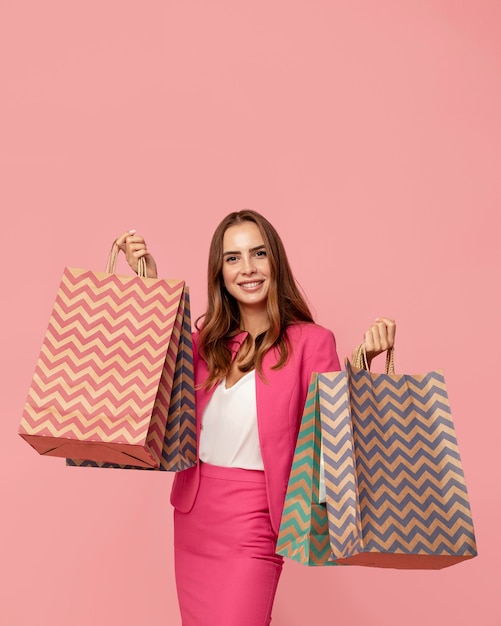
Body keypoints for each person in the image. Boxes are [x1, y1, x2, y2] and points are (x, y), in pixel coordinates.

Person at [116, 210, 395, 626]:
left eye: (258, 254)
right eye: (232, 258)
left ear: (274, 262)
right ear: (219, 272)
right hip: (195, 516)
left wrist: (363, 362)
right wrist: (149, 281)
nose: (247, 269)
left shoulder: (311, 342)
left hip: (257, 519)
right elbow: (155, 372)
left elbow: (337, 429)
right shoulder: (207, 342)